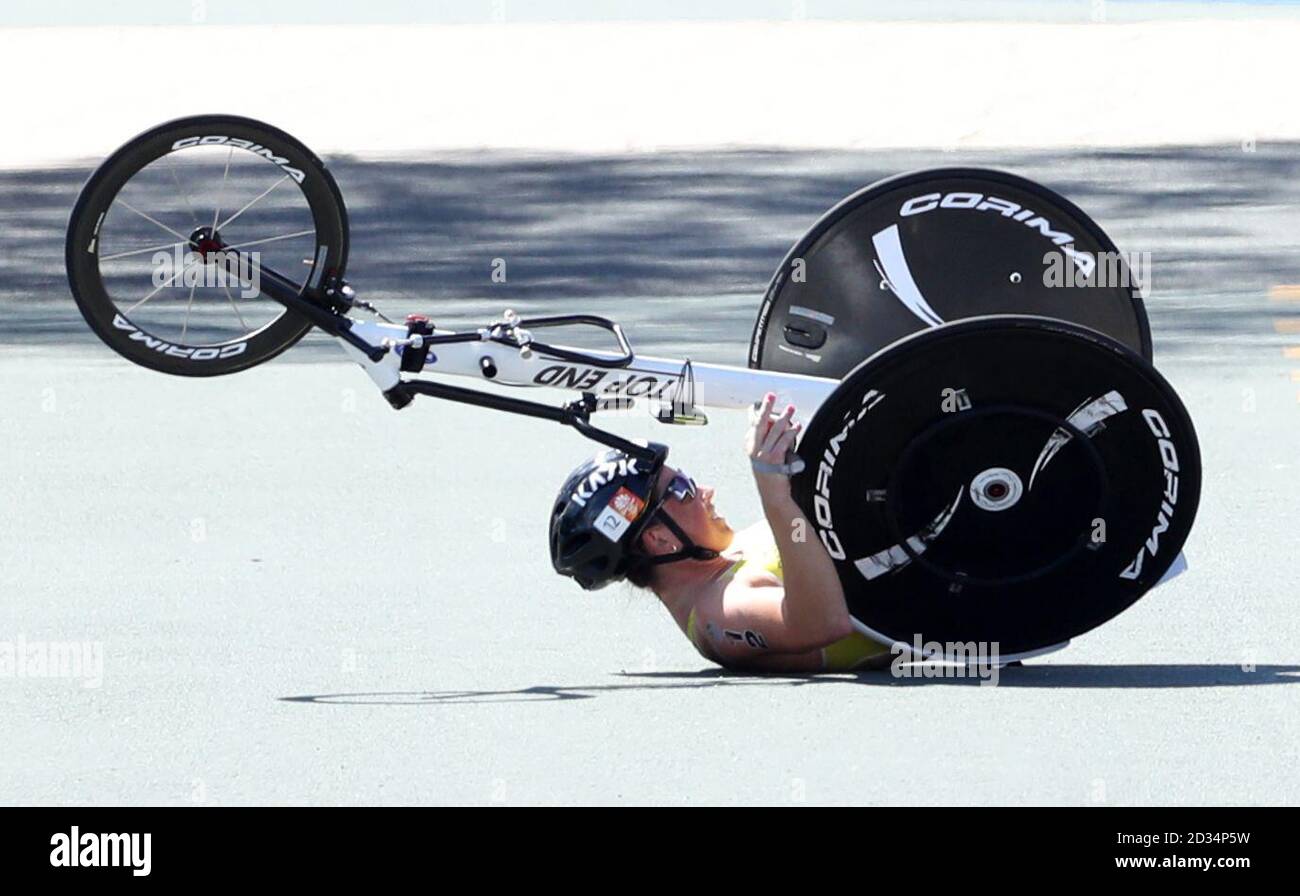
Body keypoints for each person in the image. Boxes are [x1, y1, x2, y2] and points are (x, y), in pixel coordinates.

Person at [549, 392, 889, 672]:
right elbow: (825, 622)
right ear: (659, 540)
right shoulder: (717, 616)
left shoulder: (728, 554)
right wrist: (776, 498)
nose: (705, 491)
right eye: (682, 488)